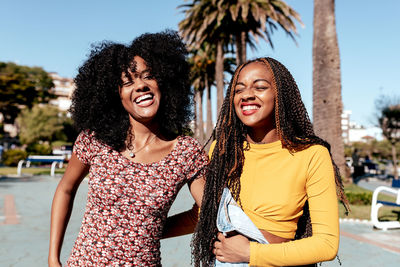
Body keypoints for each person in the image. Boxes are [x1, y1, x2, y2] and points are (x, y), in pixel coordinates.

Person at [48, 30, 208, 266]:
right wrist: (53, 258)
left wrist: (149, 230)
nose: (141, 86)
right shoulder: (95, 140)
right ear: (117, 95)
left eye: (148, 76)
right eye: (128, 82)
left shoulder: (186, 152)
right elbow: (65, 189)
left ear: (163, 83)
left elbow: (207, 211)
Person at [192, 57, 349, 266]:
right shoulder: (222, 151)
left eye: (260, 87)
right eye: (238, 90)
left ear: (280, 95)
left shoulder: (311, 154)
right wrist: (150, 228)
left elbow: (326, 244)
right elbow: (205, 211)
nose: (247, 95)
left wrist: (250, 253)